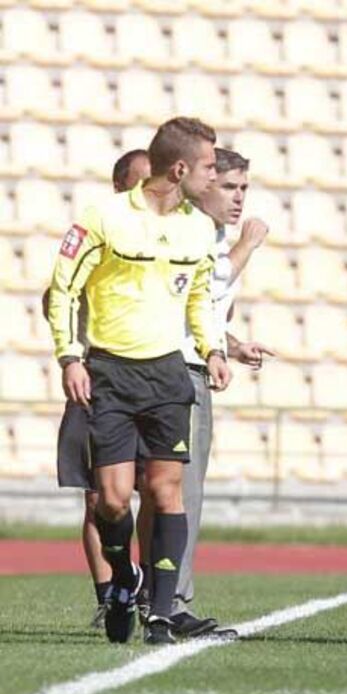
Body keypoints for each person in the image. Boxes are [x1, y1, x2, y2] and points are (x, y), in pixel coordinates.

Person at [47, 117, 231, 645]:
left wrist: (212, 347)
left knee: (165, 490)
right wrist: (70, 357)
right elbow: (61, 289)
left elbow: (199, 295)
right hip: (109, 373)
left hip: (167, 373)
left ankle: (163, 613)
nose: (213, 178)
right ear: (180, 168)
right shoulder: (103, 217)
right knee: (110, 500)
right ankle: (124, 579)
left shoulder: (199, 227)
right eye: (209, 168)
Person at [136, 148, 272, 638]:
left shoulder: (207, 232)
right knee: (180, 493)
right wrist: (249, 245)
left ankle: (152, 595)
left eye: (243, 189)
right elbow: (211, 282)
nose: (238, 198)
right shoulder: (195, 230)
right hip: (178, 372)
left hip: (187, 363)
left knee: (162, 493)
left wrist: (230, 346)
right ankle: (169, 601)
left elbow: (204, 308)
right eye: (228, 185)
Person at [45, 149, 152, 629]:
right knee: (98, 499)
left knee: (154, 490)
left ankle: (150, 591)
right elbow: (55, 295)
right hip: (96, 379)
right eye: (137, 183)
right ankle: (109, 594)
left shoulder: (169, 237)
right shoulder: (96, 235)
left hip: (149, 382)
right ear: (118, 188)